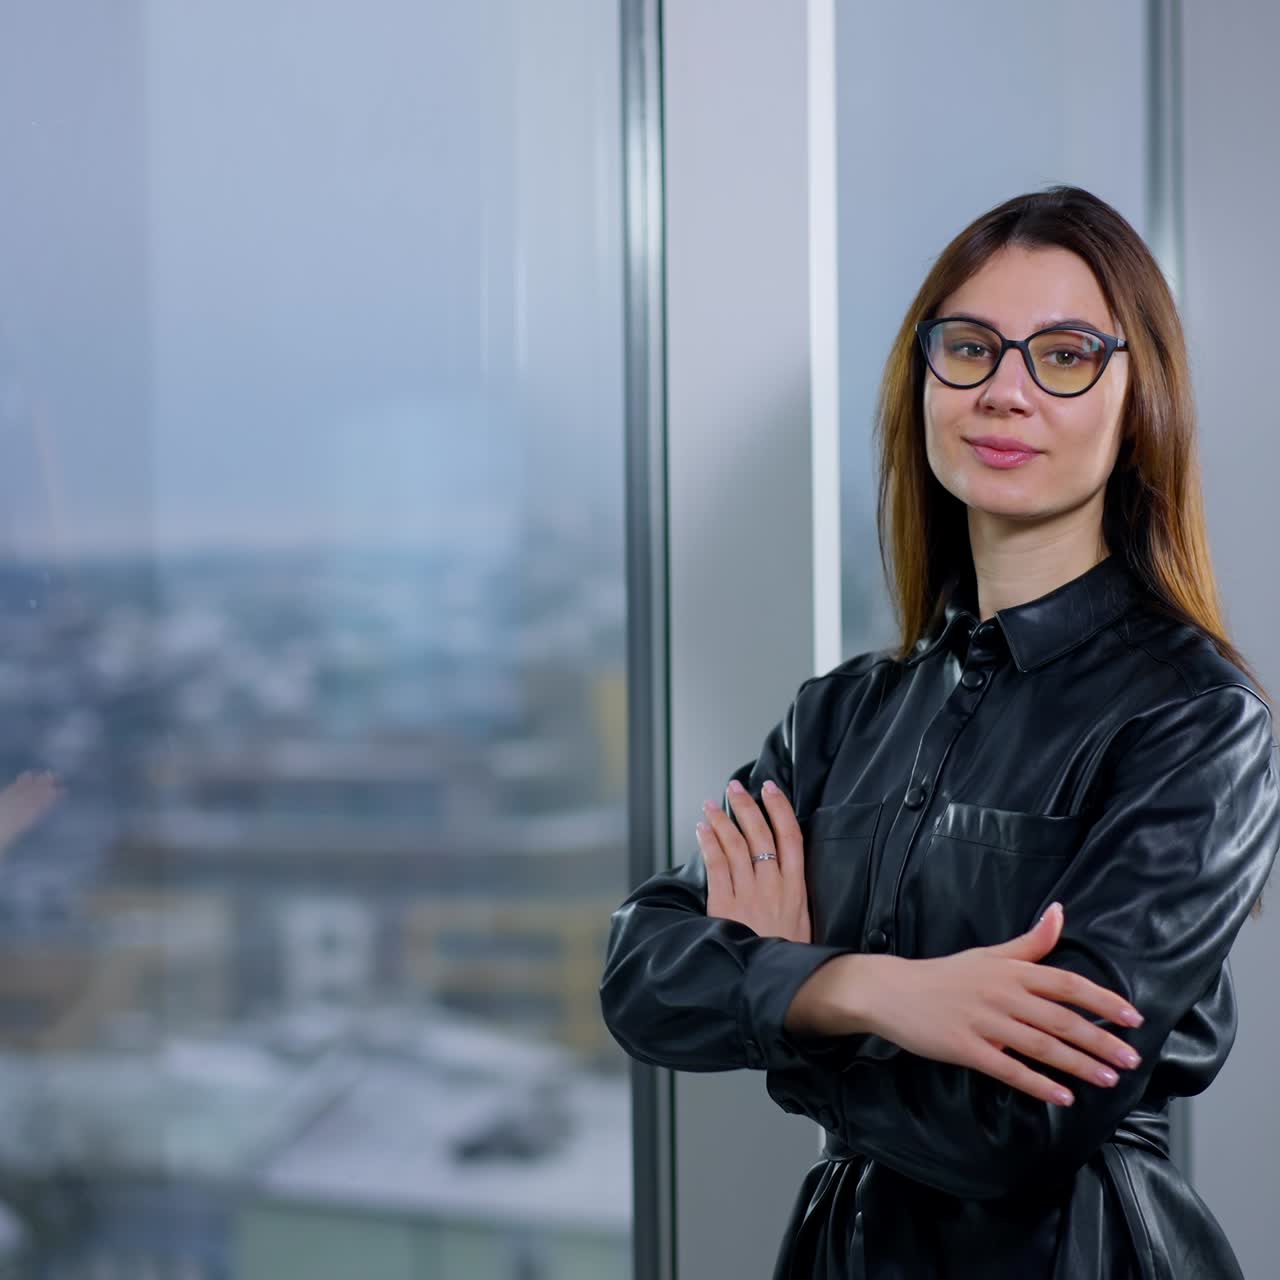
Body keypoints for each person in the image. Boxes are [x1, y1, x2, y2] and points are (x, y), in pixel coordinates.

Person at [597, 184, 1280, 1279]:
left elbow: (1014, 1123)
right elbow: (642, 972)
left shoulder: (1193, 719)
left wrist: (782, 998)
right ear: (921, 381)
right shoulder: (840, 715)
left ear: (1136, 403)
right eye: (969, 348)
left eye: (1063, 356)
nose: (1005, 390)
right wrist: (874, 989)